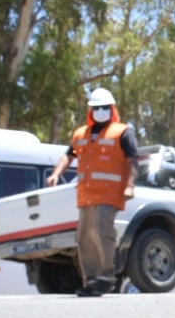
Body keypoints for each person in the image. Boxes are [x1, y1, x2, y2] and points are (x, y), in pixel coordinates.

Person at [46, 88, 139, 297]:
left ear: (112, 109)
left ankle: (106, 277)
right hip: (86, 195)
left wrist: (130, 185)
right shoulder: (80, 134)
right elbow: (68, 156)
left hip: (109, 194)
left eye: (105, 107)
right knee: (83, 237)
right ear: (90, 110)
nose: (101, 111)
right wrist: (55, 174)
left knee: (100, 230)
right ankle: (91, 281)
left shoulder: (122, 131)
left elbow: (133, 159)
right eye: (97, 108)